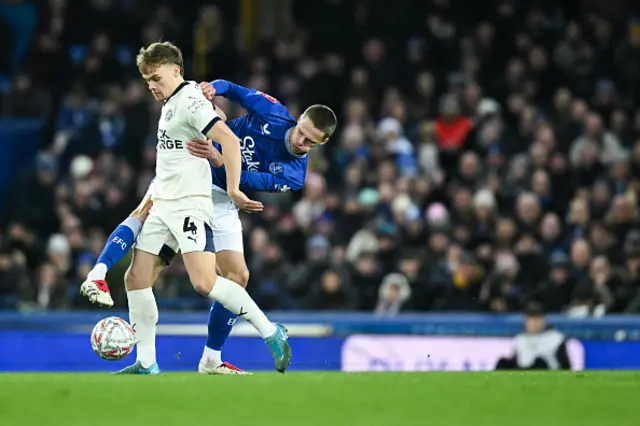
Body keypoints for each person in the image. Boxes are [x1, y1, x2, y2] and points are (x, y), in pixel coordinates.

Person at [80, 42, 291, 375]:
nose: (151, 85)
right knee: (136, 279)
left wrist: (234, 189)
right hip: (164, 202)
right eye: (147, 79)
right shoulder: (170, 101)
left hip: (190, 205)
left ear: (175, 70)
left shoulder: (190, 101)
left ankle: (269, 330)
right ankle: (146, 361)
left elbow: (230, 140)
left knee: (205, 283)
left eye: (156, 77)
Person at [494, 302, 571, 370]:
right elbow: (517, 362)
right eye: (530, 320)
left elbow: (566, 366)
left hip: (546, 374)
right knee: (503, 362)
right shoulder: (520, 339)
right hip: (523, 373)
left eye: (536, 319)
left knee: (540, 362)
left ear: (543, 320)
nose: (533, 324)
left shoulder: (556, 338)